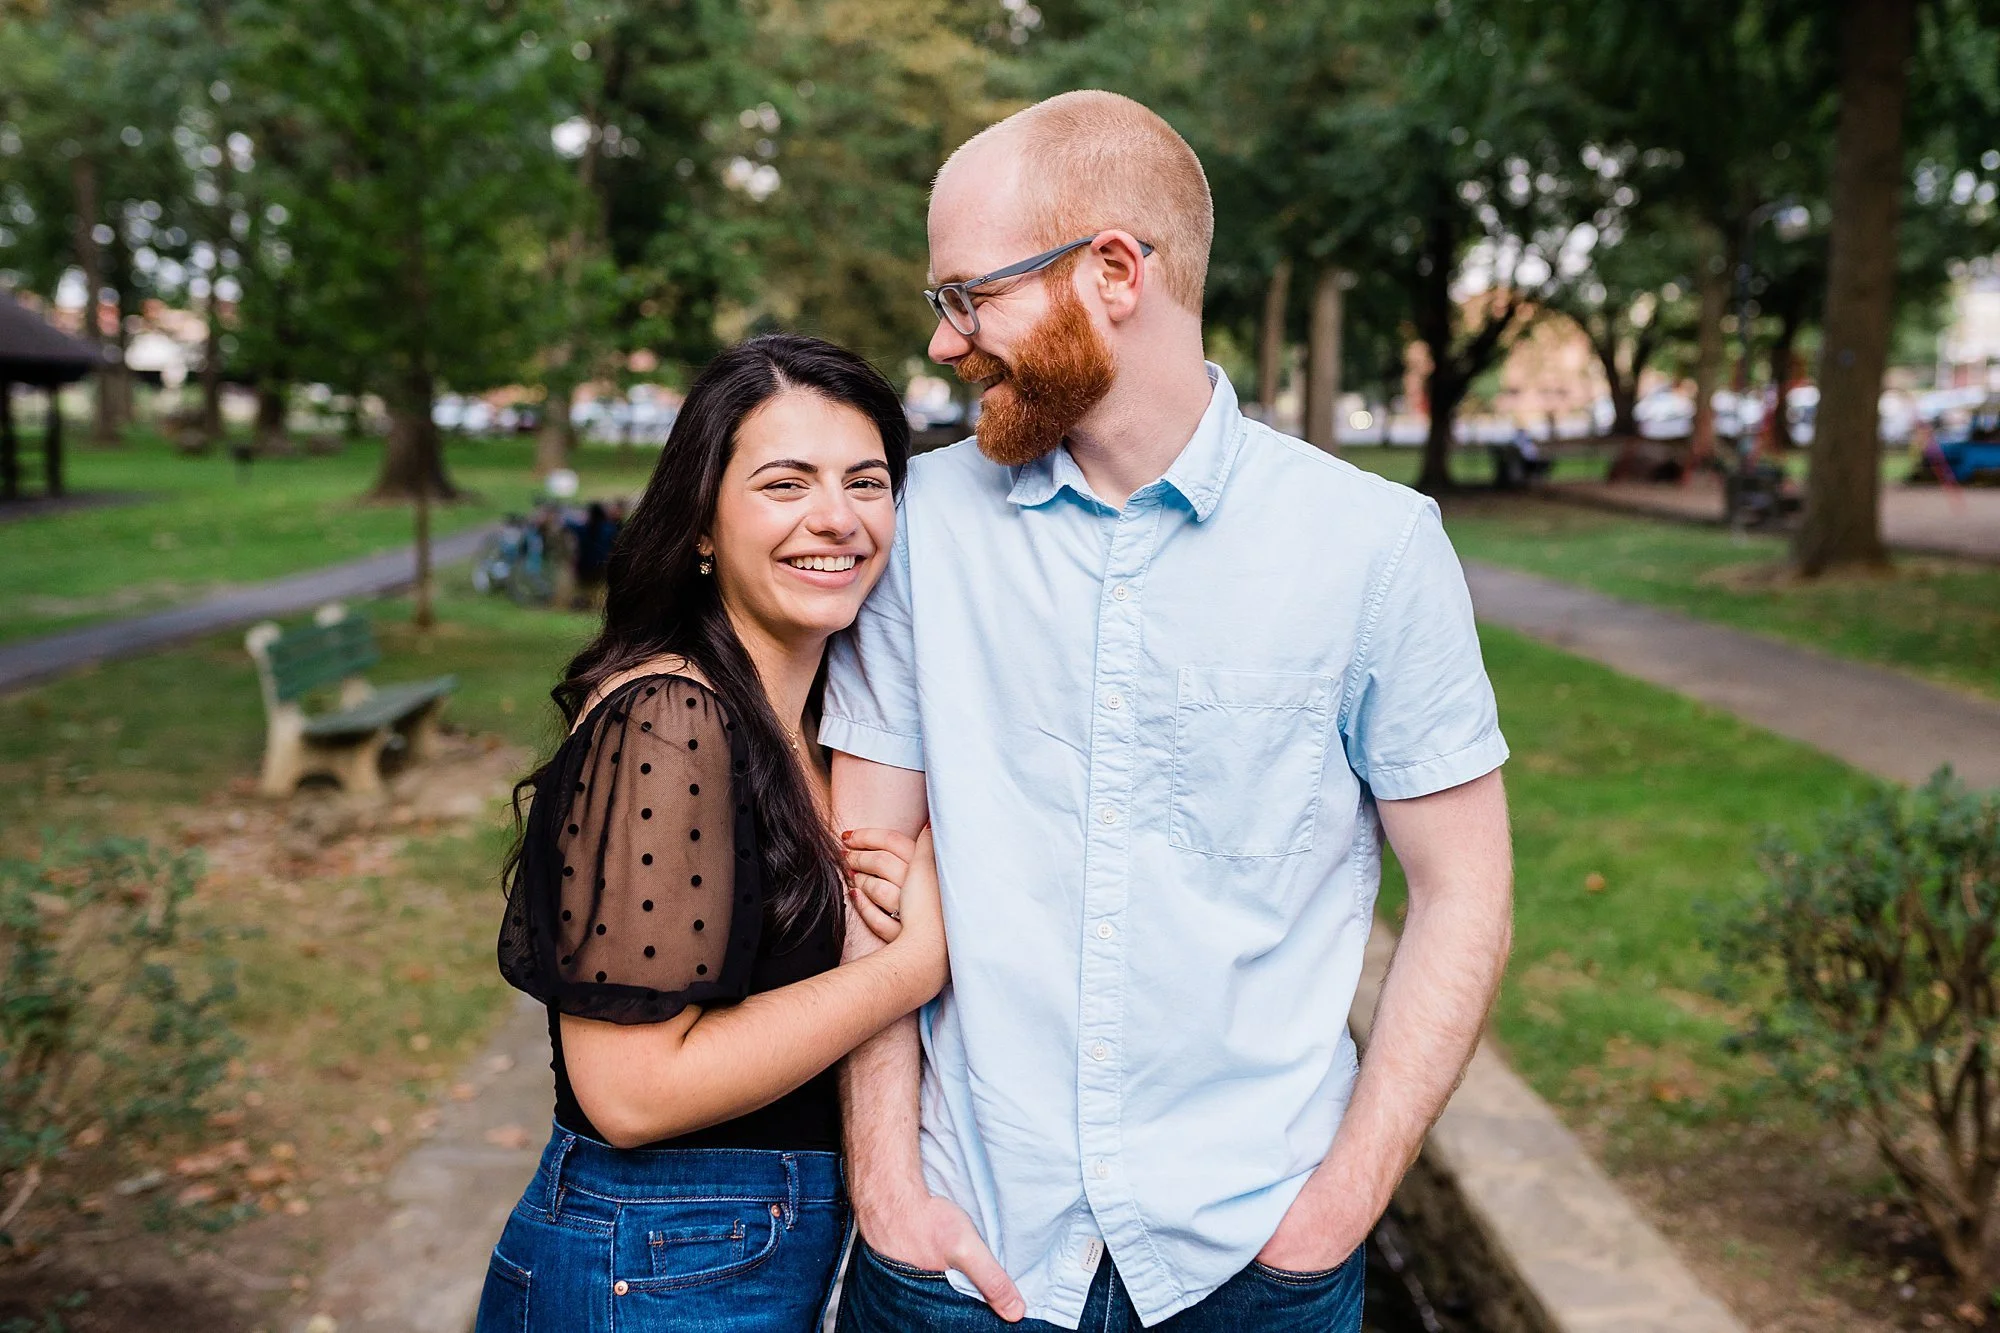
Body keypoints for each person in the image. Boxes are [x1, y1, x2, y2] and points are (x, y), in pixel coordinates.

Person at [824, 91, 1515, 1332]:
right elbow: (862, 872)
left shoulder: (1372, 547)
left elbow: (1462, 891)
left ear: (1110, 271)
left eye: (966, 296)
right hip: (960, 1252)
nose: (943, 345)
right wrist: (885, 1184)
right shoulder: (918, 527)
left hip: (1254, 1261)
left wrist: (1333, 1214)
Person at [477, 333, 947, 1332]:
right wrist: (909, 968)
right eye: (785, 483)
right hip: (650, 1267)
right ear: (700, 524)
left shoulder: (818, 728)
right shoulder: (667, 723)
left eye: (866, 481)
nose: (837, 518)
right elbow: (632, 1091)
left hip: (725, 1257)